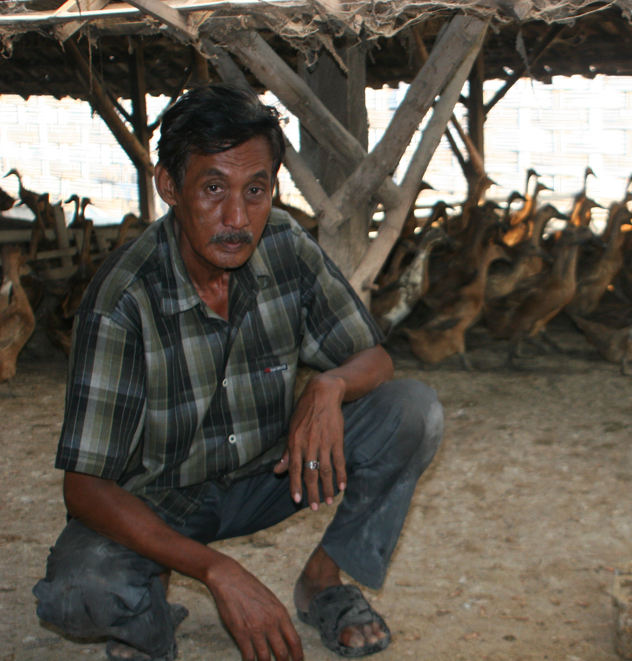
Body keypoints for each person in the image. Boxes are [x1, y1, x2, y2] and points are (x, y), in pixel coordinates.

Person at [32, 84, 443, 661]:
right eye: (213, 188)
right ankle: (148, 628)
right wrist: (217, 571)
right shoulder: (124, 299)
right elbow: (84, 486)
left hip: (273, 472)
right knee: (80, 593)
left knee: (412, 411)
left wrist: (329, 385)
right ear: (170, 187)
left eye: (257, 190)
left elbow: (375, 358)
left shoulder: (284, 244)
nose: (237, 218)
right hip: (162, 498)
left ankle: (323, 584)